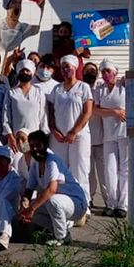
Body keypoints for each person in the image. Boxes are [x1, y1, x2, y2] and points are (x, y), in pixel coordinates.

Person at [19, 131, 88, 247]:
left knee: (52, 201)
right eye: (32, 146)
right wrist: (25, 205)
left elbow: (52, 189)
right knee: (30, 211)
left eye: (38, 145)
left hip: (76, 203)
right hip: (61, 203)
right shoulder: (35, 163)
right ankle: (62, 230)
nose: (35, 149)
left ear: (45, 145)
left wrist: (32, 208)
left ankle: (60, 237)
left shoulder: (52, 161)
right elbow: (29, 189)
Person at [48, 55, 93, 208]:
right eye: (63, 67)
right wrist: (54, 130)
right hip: (59, 138)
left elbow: (87, 112)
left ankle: (83, 204)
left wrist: (74, 131)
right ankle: (64, 204)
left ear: (75, 68)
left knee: (79, 169)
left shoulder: (83, 87)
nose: (66, 70)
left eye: (68, 66)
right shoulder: (57, 89)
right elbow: (51, 112)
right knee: (59, 171)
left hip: (78, 136)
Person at [94, 59, 127, 218]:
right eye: (103, 72)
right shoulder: (100, 90)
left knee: (124, 169)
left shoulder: (123, 86)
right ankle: (111, 203)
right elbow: (96, 110)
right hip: (108, 135)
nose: (106, 74)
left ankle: (123, 204)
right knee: (110, 170)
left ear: (115, 72)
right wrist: (115, 112)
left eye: (108, 71)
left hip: (125, 133)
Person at [2, 59, 48, 152]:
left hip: (35, 139)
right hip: (16, 140)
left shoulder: (38, 92)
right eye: (22, 70)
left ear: (32, 73)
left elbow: (43, 116)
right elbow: (6, 117)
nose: (25, 73)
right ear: (18, 73)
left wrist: (43, 137)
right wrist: (11, 137)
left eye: (27, 70)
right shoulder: (11, 92)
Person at [82, 62, 107, 209]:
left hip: (101, 139)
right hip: (85, 139)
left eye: (93, 71)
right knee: (88, 172)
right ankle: (89, 198)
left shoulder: (100, 90)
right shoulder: (79, 88)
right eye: (87, 71)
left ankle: (109, 201)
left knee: (105, 174)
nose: (90, 73)